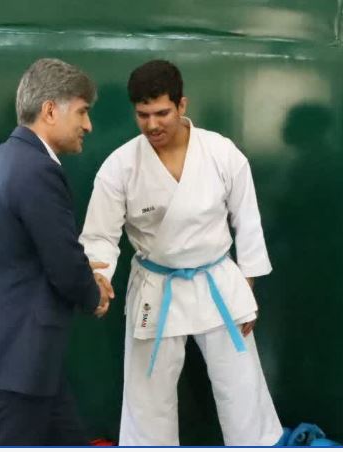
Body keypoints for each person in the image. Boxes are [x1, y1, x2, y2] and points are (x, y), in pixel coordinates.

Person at [80, 59, 282, 446]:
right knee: (147, 395)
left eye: (162, 113)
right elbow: (101, 235)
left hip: (217, 281)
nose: (152, 125)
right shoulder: (120, 166)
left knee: (241, 386)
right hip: (156, 284)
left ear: (182, 105)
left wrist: (248, 285)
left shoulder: (221, 152)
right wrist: (99, 276)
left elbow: (247, 220)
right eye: (143, 115)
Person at [0, 58, 112, 446]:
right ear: (50, 110)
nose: (88, 125)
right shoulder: (37, 169)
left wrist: (82, 273)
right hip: (11, 365)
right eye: (82, 111)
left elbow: (20, 251)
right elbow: (63, 262)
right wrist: (94, 292)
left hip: (20, 362)